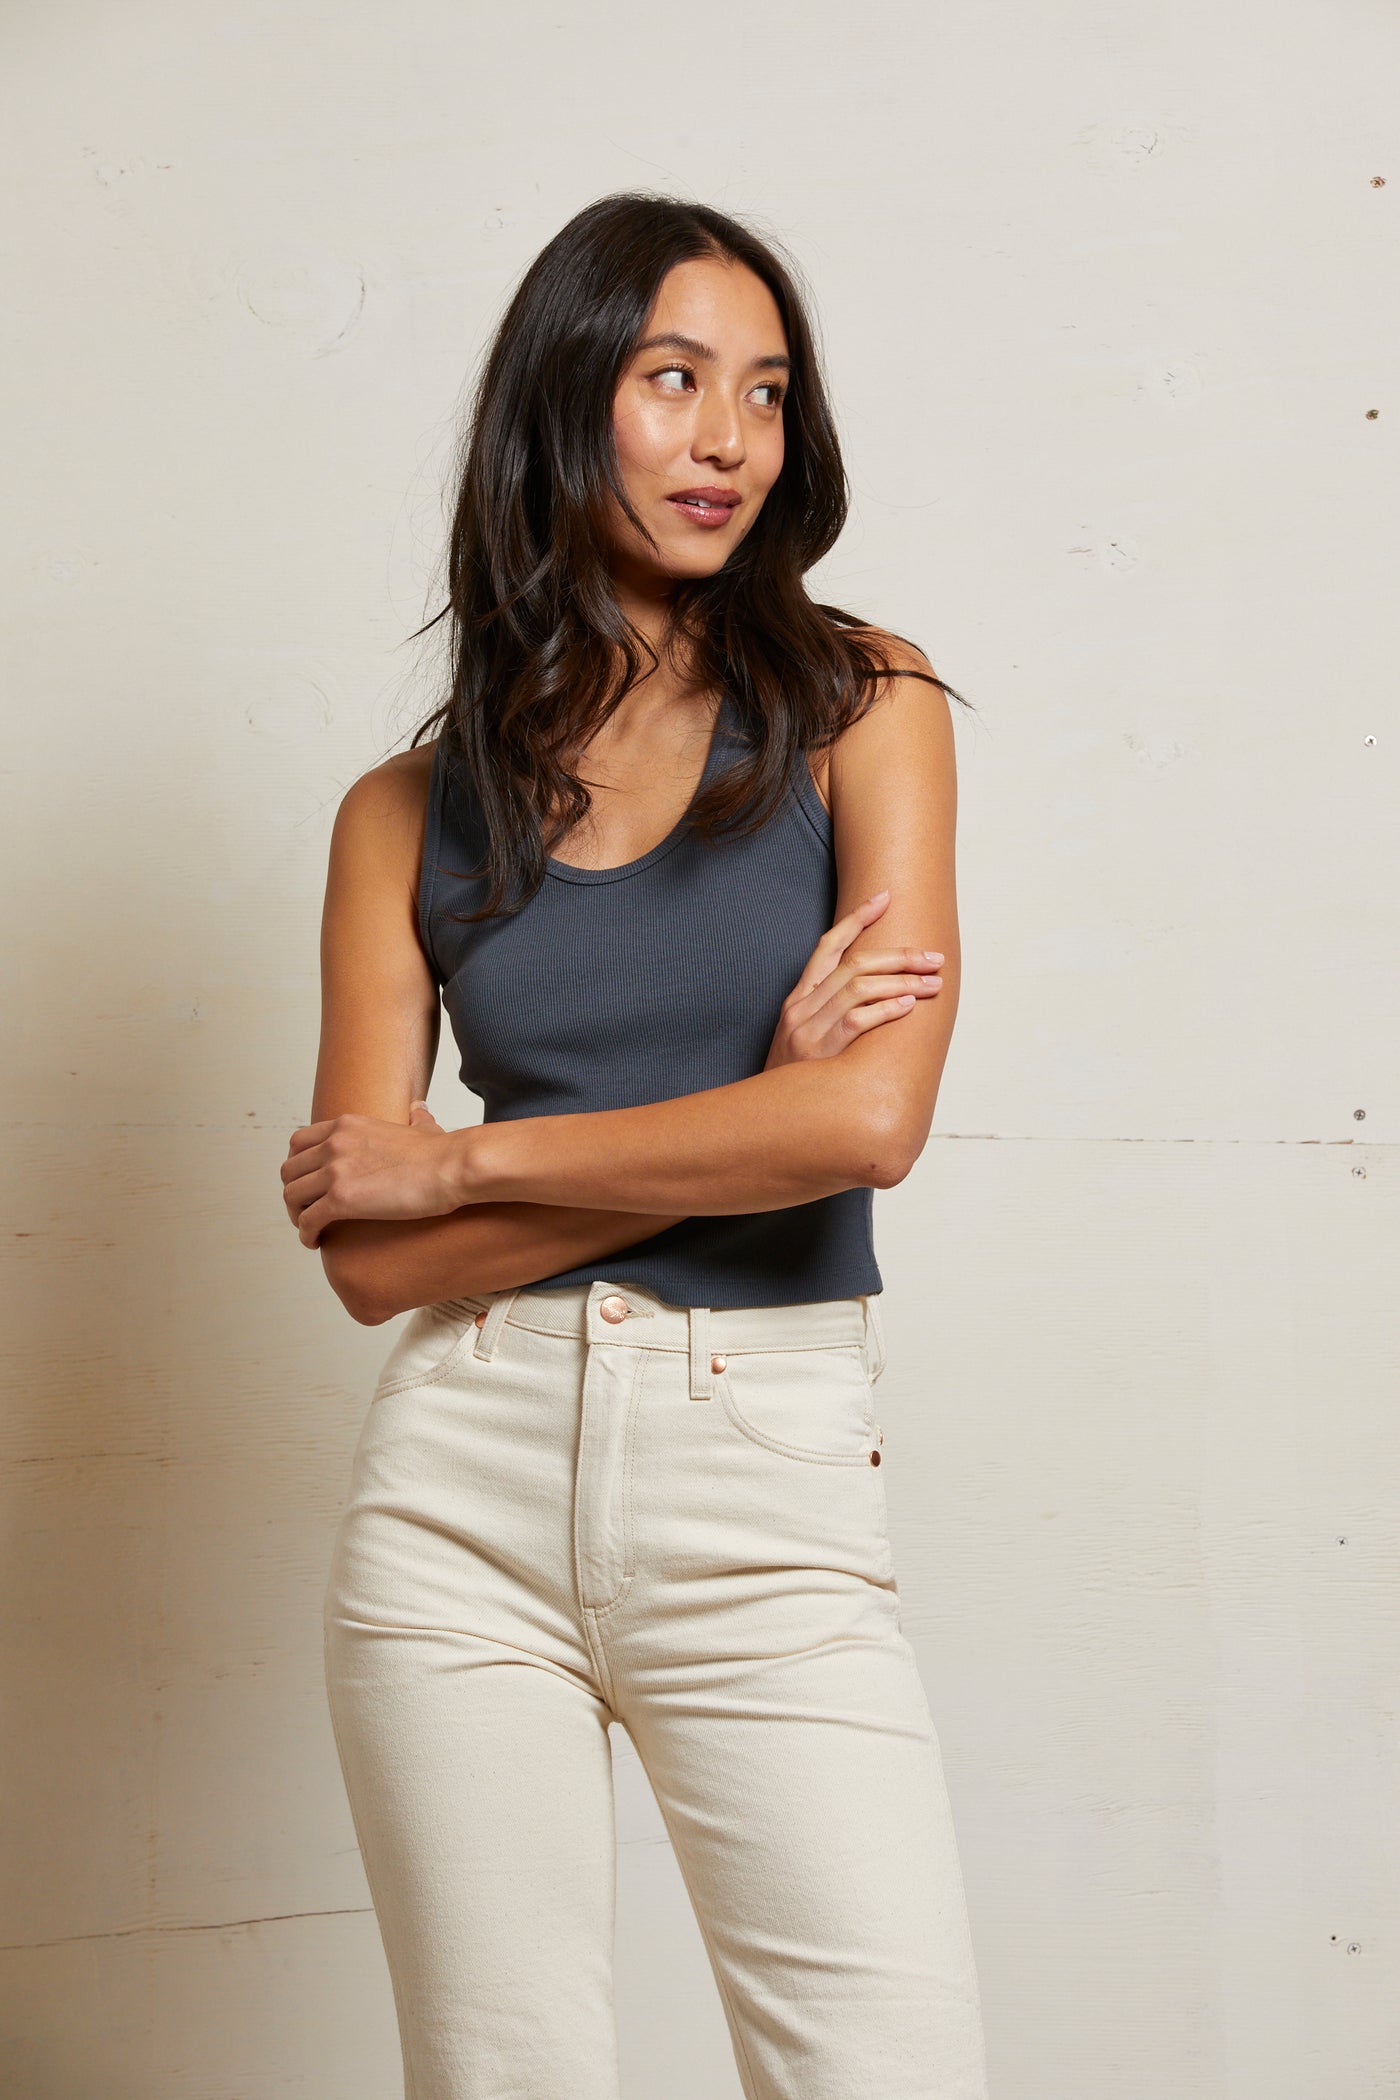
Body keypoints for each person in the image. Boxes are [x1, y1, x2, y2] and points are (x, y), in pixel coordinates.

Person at [280, 191, 990, 2100]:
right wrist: (745, 1113)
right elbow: (371, 1265)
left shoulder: (862, 703)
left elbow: (868, 1121)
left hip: (762, 1484)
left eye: (765, 390)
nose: (728, 438)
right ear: (565, 395)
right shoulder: (399, 815)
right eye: (674, 379)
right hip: (458, 1495)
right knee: (502, 2073)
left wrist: (467, 1162)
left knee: (888, 2065)